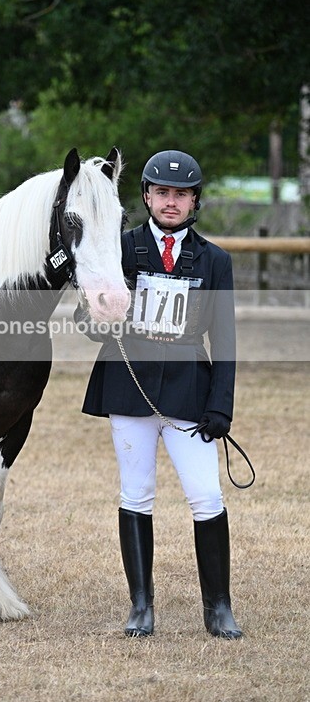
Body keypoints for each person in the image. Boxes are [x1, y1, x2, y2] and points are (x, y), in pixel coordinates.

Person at [79, 149, 242, 639]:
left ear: (196, 202)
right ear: (147, 196)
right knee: (136, 493)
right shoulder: (120, 249)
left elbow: (226, 342)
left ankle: (218, 608)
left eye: (182, 195)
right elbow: (87, 325)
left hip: (189, 392)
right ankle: (141, 606)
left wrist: (220, 406)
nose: (172, 202)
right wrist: (96, 315)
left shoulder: (215, 262)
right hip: (128, 388)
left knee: (206, 495)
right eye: (163, 193)